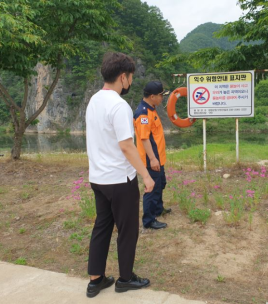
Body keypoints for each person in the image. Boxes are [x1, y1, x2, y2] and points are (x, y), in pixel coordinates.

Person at [85, 52, 155, 298]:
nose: (131, 83)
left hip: (98, 179)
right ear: (123, 77)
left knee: (102, 226)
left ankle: (96, 279)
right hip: (119, 181)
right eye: (131, 78)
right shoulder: (119, 105)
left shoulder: (94, 100)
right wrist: (146, 175)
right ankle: (125, 279)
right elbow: (126, 146)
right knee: (127, 230)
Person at [134, 81, 171, 230]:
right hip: (151, 160)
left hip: (158, 158)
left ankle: (158, 210)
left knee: (160, 184)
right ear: (152, 96)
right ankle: (149, 221)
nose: (162, 98)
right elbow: (144, 139)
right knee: (152, 188)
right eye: (161, 95)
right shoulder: (143, 113)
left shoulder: (152, 109)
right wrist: (153, 159)